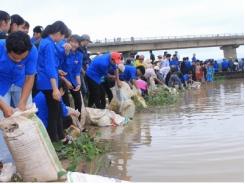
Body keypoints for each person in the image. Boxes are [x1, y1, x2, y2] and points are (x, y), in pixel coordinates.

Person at [0, 31, 38, 164]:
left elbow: (29, 77)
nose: (19, 61)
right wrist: (4, 107)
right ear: (6, 49)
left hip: (21, 83)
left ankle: (27, 155)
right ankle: (6, 162)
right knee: (3, 122)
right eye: (15, 58)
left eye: (22, 58)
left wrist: (22, 103)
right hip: (1, 85)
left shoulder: (32, 50)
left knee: (26, 118)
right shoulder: (0, 48)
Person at [36, 21, 69, 142]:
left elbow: (54, 61)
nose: (63, 39)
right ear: (59, 33)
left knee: (55, 111)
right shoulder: (49, 44)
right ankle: (55, 140)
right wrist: (55, 89)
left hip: (46, 81)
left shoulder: (47, 42)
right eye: (63, 36)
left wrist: (65, 52)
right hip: (49, 83)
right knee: (54, 113)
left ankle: (60, 137)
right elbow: (49, 67)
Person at [60, 34, 83, 119]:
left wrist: (79, 84)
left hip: (73, 80)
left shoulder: (79, 55)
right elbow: (57, 69)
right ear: (68, 42)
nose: (74, 44)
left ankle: (78, 122)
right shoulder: (62, 51)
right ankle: (67, 124)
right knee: (66, 103)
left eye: (76, 43)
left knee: (78, 101)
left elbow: (77, 72)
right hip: (62, 80)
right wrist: (65, 81)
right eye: (72, 42)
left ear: (79, 44)